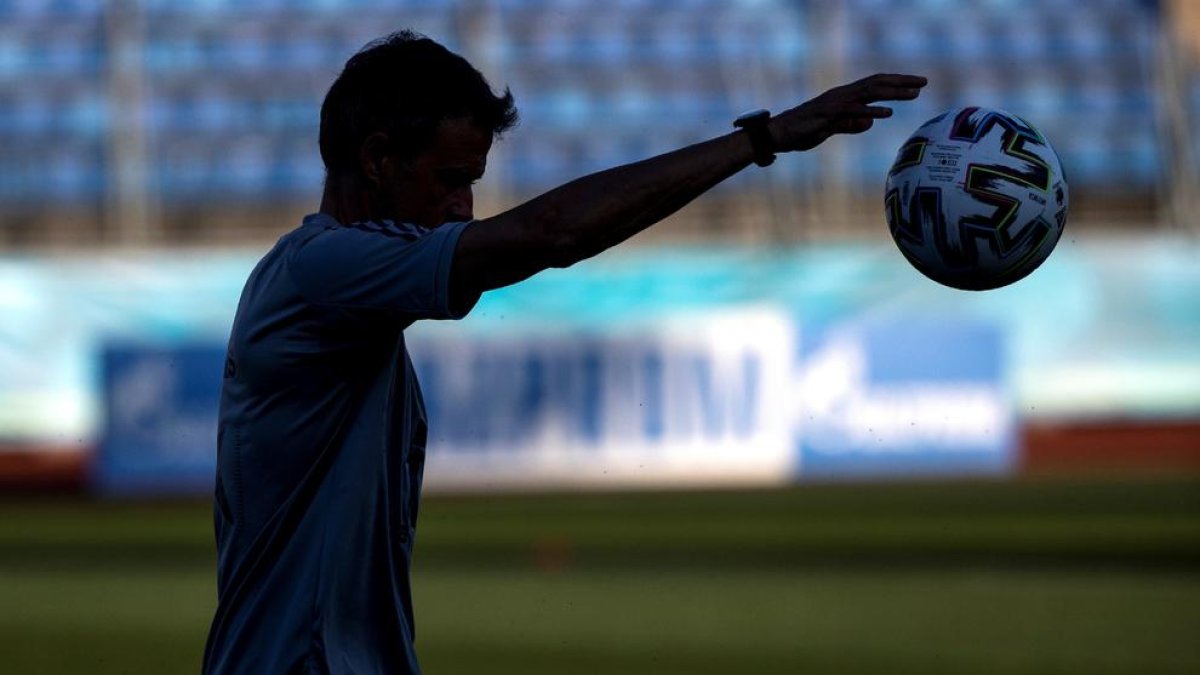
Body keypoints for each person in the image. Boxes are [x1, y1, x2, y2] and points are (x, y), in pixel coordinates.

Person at [202, 29, 926, 675]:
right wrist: (759, 140)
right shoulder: (322, 269)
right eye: (452, 181)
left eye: (473, 185)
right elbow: (551, 232)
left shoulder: (340, 299)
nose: (464, 208)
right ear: (378, 159)